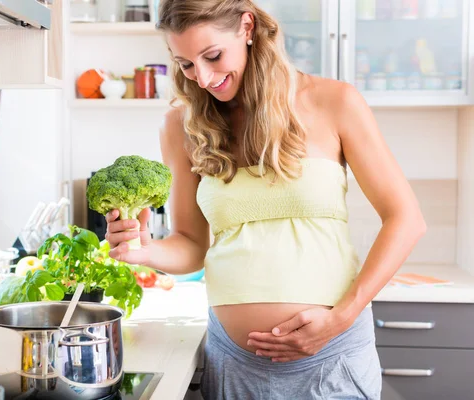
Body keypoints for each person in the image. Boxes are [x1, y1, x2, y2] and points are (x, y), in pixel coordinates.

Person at [104, 1, 426, 399]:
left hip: (331, 359)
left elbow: (406, 219)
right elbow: (190, 244)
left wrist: (341, 318)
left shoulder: (334, 101)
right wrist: (144, 251)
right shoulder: (182, 125)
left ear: (247, 27)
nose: (202, 78)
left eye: (213, 56)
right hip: (236, 365)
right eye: (185, 64)